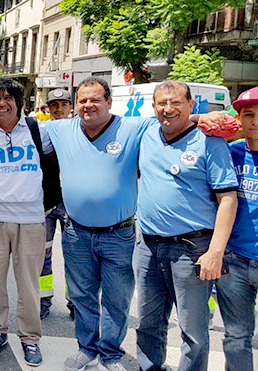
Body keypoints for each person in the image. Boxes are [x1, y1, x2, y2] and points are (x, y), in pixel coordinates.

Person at [45, 77, 227, 371]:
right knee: (82, 296)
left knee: (117, 300)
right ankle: (86, 347)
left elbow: (169, 119)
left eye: (95, 100)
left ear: (108, 101)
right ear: (75, 104)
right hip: (76, 233)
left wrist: (200, 115)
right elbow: (17, 131)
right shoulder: (58, 128)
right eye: (82, 100)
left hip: (120, 234)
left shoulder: (134, 127)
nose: (88, 105)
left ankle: (111, 353)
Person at [134, 81, 238, 371]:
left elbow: (228, 199)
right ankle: (149, 368)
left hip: (191, 250)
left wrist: (216, 252)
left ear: (191, 104)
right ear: (153, 107)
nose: (168, 109)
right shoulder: (147, 134)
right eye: (162, 103)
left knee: (193, 331)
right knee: (147, 323)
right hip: (148, 247)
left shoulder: (210, 143)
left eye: (176, 102)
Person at [0, 78, 49, 367]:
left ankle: (30, 338)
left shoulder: (37, 129)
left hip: (31, 219)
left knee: (29, 283)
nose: (1, 103)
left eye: (8, 98)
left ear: (20, 103)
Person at [214, 87, 258, 371]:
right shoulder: (229, 153)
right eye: (249, 114)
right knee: (237, 336)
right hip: (235, 260)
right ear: (239, 119)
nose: (254, 121)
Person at [39, 88, 73, 320]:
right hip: (46, 203)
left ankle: (76, 303)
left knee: (75, 256)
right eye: (54, 105)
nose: (58, 109)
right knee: (43, 255)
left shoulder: (82, 130)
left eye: (63, 104)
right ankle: (43, 300)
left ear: (71, 107)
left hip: (73, 203)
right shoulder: (40, 131)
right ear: (47, 108)